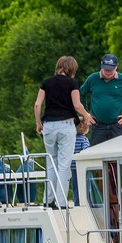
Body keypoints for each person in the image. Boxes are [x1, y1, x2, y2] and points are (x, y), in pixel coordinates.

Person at [34, 55, 86, 208]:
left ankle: (48, 200)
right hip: (66, 126)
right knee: (64, 165)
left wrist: (38, 123)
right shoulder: (72, 83)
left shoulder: (46, 82)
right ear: (71, 69)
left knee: (51, 163)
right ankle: (61, 202)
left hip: (48, 126)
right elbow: (77, 105)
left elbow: (37, 105)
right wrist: (87, 115)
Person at [80, 53, 122, 147]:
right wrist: (86, 114)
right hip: (97, 126)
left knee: (117, 153)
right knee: (97, 153)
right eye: (106, 68)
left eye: (111, 69)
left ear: (116, 67)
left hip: (117, 126)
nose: (108, 71)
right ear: (101, 65)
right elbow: (81, 94)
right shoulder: (93, 79)